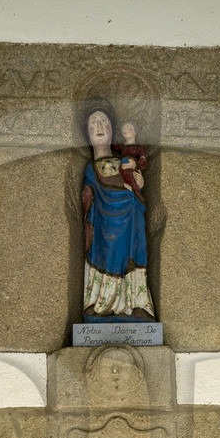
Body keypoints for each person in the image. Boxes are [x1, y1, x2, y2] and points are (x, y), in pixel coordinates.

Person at [80, 103, 155, 321]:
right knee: (109, 251)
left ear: (112, 130)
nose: (99, 126)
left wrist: (137, 185)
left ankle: (136, 304)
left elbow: (134, 182)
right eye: (93, 123)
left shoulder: (122, 160)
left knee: (132, 254)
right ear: (88, 133)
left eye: (104, 121)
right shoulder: (90, 167)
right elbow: (88, 195)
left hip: (131, 217)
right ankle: (103, 302)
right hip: (104, 222)